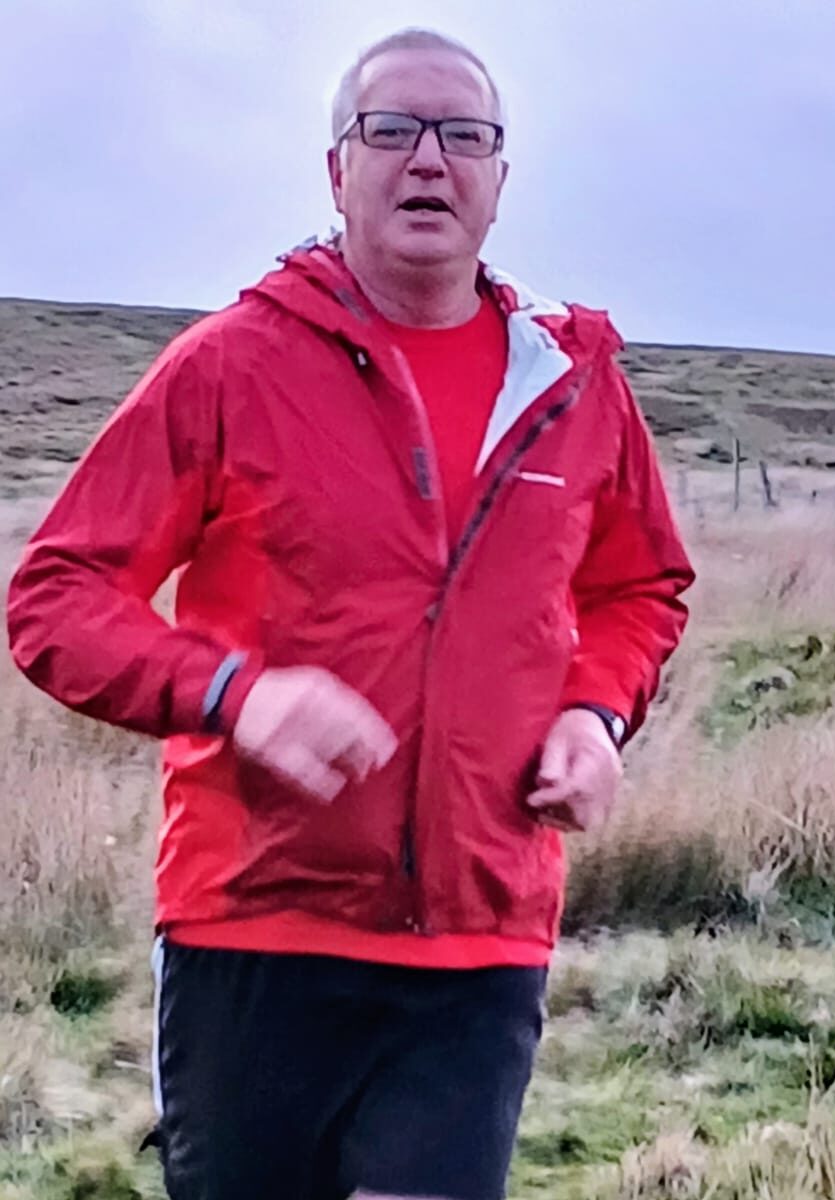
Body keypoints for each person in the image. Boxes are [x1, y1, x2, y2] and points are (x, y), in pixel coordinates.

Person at [6, 27, 693, 1200]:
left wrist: (596, 713)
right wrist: (233, 694)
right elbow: (55, 597)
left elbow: (641, 588)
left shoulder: (572, 385)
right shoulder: (230, 367)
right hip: (254, 932)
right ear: (339, 171)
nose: (430, 159)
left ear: (499, 180)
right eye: (393, 130)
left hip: (480, 939)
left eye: (463, 135)